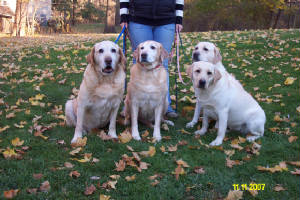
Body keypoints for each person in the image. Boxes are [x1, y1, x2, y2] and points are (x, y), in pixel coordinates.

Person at [120, 0, 184, 118]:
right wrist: (123, 15)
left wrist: (179, 18)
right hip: (138, 19)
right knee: (139, 62)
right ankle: (132, 104)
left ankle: (165, 105)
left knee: (162, 63)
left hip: (167, 19)